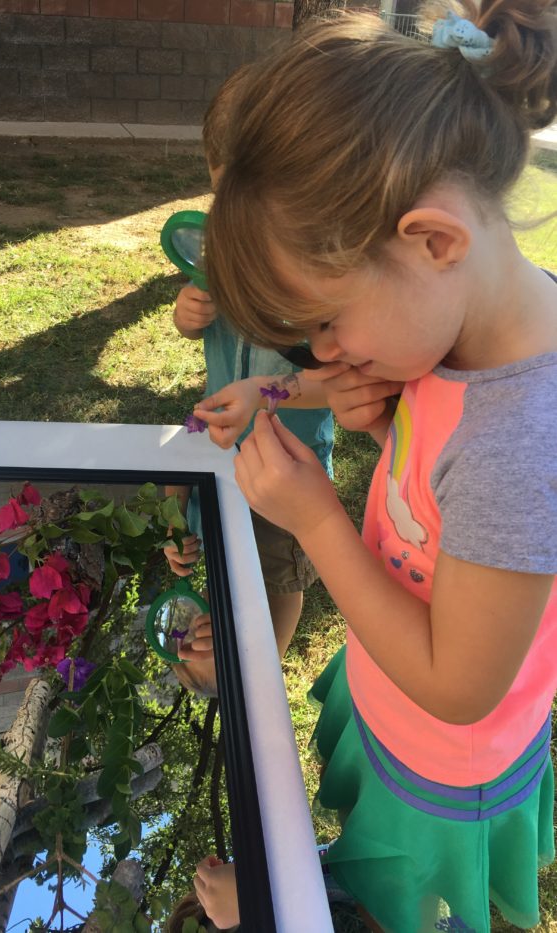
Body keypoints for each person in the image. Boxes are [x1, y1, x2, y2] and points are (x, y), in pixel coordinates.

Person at [201, 3, 557, 931]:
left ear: (432, 240)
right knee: (364, 830)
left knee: (394, 894)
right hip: (388, 694)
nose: (320, 351)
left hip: (447, 754)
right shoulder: (459, 323)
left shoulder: (519, 450)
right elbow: (399, 386)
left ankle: (314, 899)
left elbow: (458, 680)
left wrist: (316, 518)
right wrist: (281, 398)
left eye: (325, 322)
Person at [167, 65, 400, 664]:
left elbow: (345, 381)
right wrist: (189, 310)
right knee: (216, 541)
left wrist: (268, 391)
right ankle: (225, 634)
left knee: (277, 566)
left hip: (289, 458)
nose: (244, 225)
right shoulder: (224, 246)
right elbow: (200, 317)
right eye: (228, 201)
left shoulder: (332, 278)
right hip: (221, 445)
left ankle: (263, 659)